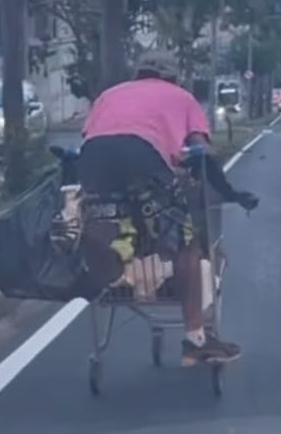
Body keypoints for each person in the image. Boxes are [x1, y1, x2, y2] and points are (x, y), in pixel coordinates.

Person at [76, 49, 259, 367]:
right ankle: (195, 340)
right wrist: (232, 193)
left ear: (137, 74)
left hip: (92, 159)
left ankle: (112, 276)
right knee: (185, 244)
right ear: (173, 77)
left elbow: (93, 137)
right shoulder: (181, 97)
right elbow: (201, 152)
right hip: (142, 157)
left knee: (105, 222)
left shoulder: (109, 95)